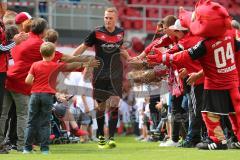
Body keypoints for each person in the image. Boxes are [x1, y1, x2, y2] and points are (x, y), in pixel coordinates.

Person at [23, 42, 99, 154]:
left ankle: (27, 148)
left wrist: (37, 83)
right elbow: (71, 66)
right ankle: (44, 149)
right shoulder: (55, 66)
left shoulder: (35, 65)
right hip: (47, 95)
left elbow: (28, 81)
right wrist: (85, 64)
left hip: (35, 95)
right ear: (54, 54)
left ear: (40, 52)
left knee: (31, 122)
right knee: (45, 123)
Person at [72, 7, 129, 149]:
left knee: (115, 103)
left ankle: (111, 138)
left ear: (115, 18)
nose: (107, 20)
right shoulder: (96, 32)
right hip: (99, 74)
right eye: (105, 18)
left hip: (115, 74)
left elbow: (121, 49)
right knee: (101, 107)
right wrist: (69, 59)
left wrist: (130, 58)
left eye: (110, 18)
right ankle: (101, 136)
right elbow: (83, 47)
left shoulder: (120, 33)